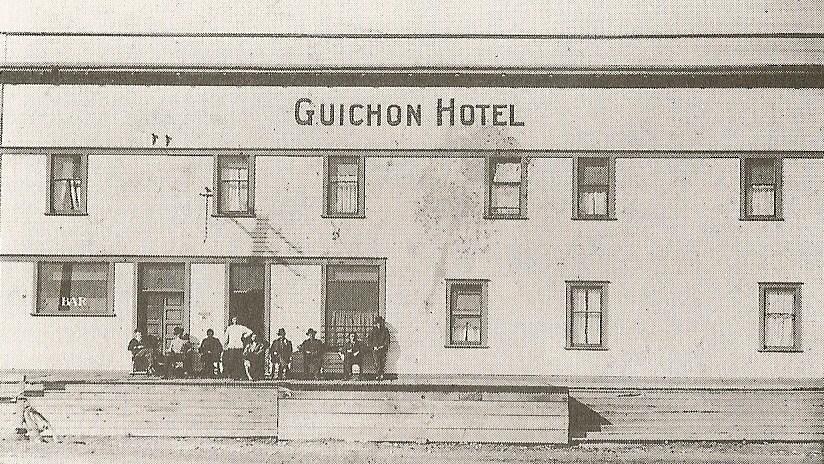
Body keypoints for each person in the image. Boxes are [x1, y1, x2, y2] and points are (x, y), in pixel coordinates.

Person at [367, 316, 390, 381]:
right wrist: (373, 347)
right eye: (377, 323)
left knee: (382, 362)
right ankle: (378, 374)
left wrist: (383, 346)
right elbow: (369, 340)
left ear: (382, 323)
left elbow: (387, 340)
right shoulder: (373, 331)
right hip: (375, 349)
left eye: (380, 323)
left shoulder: (385, 330)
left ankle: (381, 374)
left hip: (382, 349)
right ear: (376, 323)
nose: (379, 324)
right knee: (376, 362)